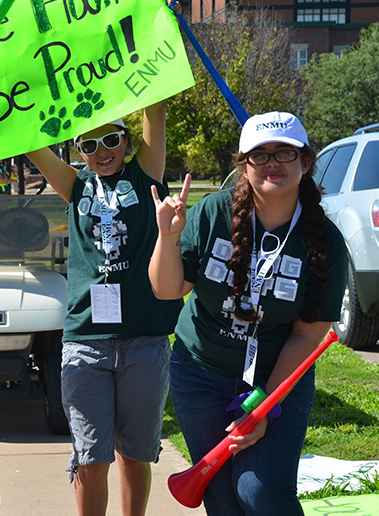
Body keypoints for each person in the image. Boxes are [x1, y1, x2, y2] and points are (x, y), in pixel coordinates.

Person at [149, 111, 348, 515]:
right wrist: (167, 237)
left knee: (261, 494)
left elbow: (307, 336)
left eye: (284, 153)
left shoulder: (324, 241)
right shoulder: (212, 213)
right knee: (221, 498)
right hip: (200, 372)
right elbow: (167, 290)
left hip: (278, 374)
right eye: (260, 155)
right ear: (244, 165)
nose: (272, 163)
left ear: (305, 163)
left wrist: (262, 409)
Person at [26, 103, 182, 516]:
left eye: (111, 139)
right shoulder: (75, 185)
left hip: (144, 340)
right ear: (78, 151)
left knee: (135, 456)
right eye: (89, 144)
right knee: (91, 461)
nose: (102, 151)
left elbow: (157, 108)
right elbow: (28, 141)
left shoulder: (146, 173)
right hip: (86, 344)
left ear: (127, 142)